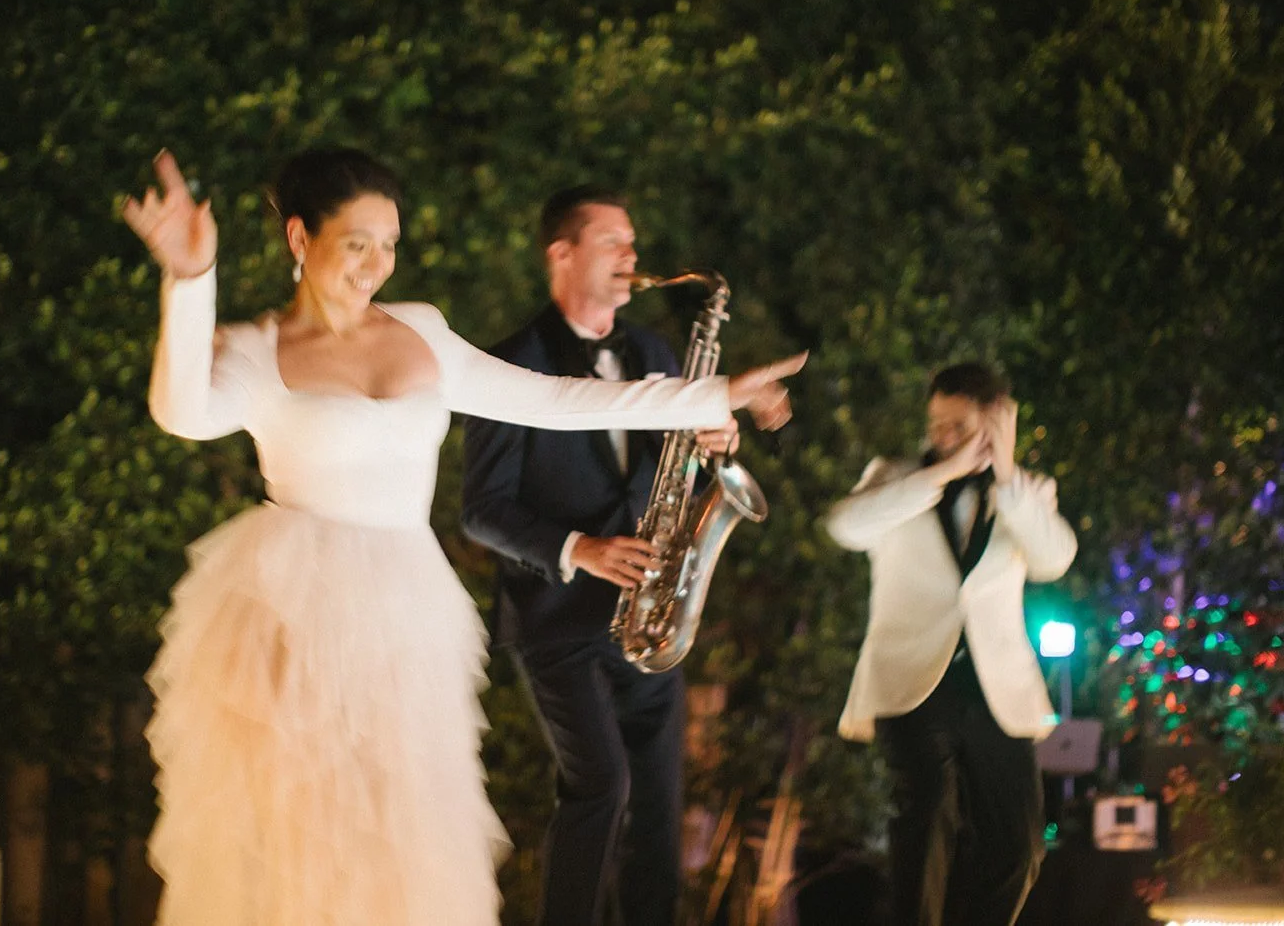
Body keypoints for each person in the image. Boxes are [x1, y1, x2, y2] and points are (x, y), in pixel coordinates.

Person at [121, 150, 804, 926]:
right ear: (301, 238)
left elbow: (552, 399)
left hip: (404, 608)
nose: (376, 263)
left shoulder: (420, 329)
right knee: (299, 828)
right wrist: (190, 278)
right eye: (357, 243)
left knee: (405, 826)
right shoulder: (256, 346)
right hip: (294, 606)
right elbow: (183, 412)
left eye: (389, 244)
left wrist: (712, 394)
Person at [461, 185, 749, 926]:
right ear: (562, 253)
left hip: (651, 611)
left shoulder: (653, 353)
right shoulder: (511, 364)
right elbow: (481, 508)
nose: (632, 255)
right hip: (558, 619)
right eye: (613, 241)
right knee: (601, 789)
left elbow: (678, 471)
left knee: (658, 811)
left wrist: (715, 444)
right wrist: (579, 548)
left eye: (632, 242)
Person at [823, 363, 1078, 926]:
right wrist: (941, 474)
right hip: (911, 682)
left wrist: (1007, 479)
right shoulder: (894, 477)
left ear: (995, 425)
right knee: (925, 814)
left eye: (958, 426)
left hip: (995, 689)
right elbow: (845, 527)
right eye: (936, 423)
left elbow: (1054, 559)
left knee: (1019, 845)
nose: (941, 435)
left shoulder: (1027, 492)